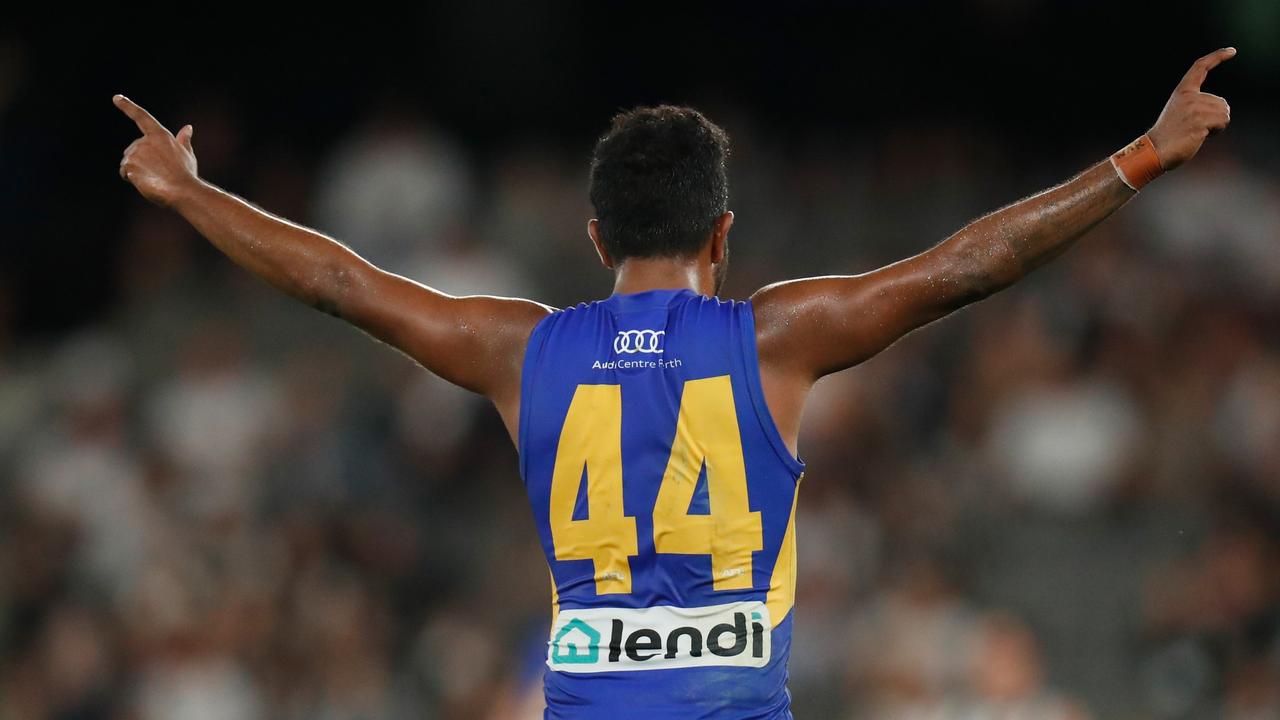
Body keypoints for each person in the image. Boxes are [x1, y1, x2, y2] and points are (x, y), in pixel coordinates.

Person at [113, 47, 1235, 719]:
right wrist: (1135, 158)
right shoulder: (775, 338)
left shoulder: (519, 349)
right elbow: (967, 265)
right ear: (725, 233)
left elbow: (336, 283)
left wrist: (190, 196)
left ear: (595, 234)